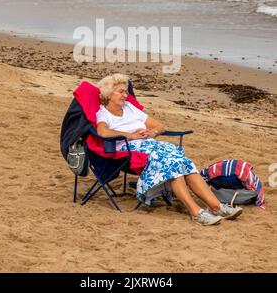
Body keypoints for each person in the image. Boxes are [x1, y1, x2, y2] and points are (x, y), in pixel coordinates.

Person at [96, 73, 243, 226]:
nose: (126, 95)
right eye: (121, 91)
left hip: (151, 145)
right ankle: (196, 212)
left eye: (126, 91)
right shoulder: (104, 113)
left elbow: (159, 126)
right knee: (173, 164)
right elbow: (102, 132)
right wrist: (131, 135)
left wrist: (152, 132)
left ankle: (216, 207)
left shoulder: (131, 108)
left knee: (184, 163)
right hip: (130, 151)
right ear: (108, 94)